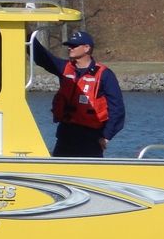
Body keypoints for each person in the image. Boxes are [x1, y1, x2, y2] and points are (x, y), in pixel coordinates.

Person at [31, 29, 125, 158]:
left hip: (91, 138)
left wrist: (106, 136)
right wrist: (28, 36)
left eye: (74, 46)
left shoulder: (104, 75)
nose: (70, 48)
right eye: (69, 45)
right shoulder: (64, 68)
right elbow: (42, 58)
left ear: (87, 48)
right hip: (66, 135)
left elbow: (117, 109)